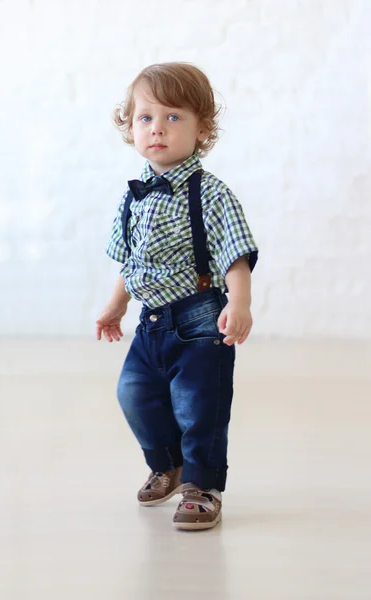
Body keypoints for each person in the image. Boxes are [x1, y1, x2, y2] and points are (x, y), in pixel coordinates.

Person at [96, 62, 258, 530]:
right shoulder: (134, 197)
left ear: (201, 128)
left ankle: (202, 485)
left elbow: (234, 253)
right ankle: (167, 463)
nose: (158, 129)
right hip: (151, 321)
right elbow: (130, 262)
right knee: (134, 393)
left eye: (173, 117)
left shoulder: (210, 193)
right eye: (146, 118)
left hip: (200, 316)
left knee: (198, 403)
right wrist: (117, 303)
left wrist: (239, 301)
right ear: (129, 127)